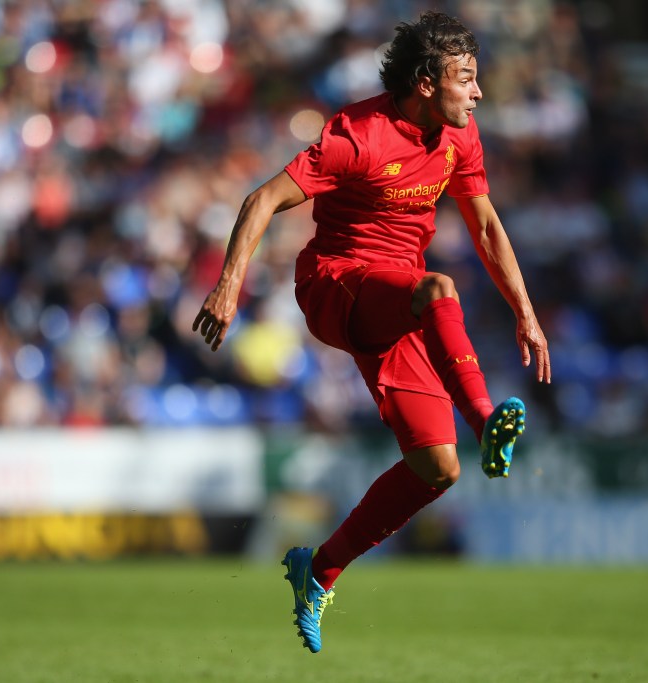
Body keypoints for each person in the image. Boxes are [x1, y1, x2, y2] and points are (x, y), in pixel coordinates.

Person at [192, 11, 550, 652]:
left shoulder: (458, 139)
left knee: (438, 468)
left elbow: (488, 227)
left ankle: (318, 572)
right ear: (424, 81)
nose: (477, 92)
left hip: (401, 305)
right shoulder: (356, 134)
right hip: (337, 284)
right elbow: (262, 199)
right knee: (439, 288)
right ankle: (484, 419)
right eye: (465, 79)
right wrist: (228, 287)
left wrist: (525, 311)